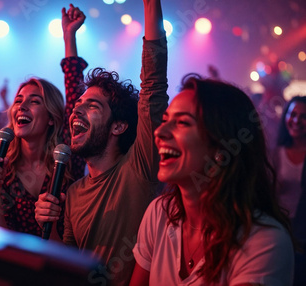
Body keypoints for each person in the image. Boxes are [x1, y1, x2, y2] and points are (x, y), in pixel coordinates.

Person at [35, 0, 168, 284]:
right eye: (78, 105)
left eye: (92, 106)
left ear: (118, 126)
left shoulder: (139, 169)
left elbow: (153, 85)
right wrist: (50, 228)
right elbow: (68, 265)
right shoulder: (72, 193)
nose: (76, 110)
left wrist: (150, 4)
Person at [129, 75, 295, 285]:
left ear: (221, 147)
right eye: (164, 120)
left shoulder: (263, 241)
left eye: (182, 122)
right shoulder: (159, 213)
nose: (160, 132)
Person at [0, 4, 87, 239]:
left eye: (35, 101)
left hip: (62, 267)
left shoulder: (68, 158)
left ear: (51, 118)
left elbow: (75, 94)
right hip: (13, 269)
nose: (22, 105)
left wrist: (69, 36)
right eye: (18, 100)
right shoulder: (2, 170)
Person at [274, 95, 306, 286]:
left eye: (303, 116)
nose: (296, 120)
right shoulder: (275, 154)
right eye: (292, 114)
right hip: (281, 226)